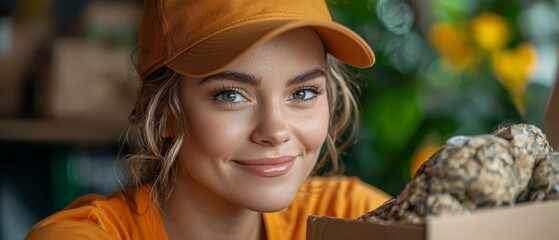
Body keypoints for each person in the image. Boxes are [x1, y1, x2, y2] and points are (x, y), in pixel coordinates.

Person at [26, 0, 390, 239]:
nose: (275, 131)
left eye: (304, 93)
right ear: (164, 110)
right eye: (231, 95)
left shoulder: (350, 216)